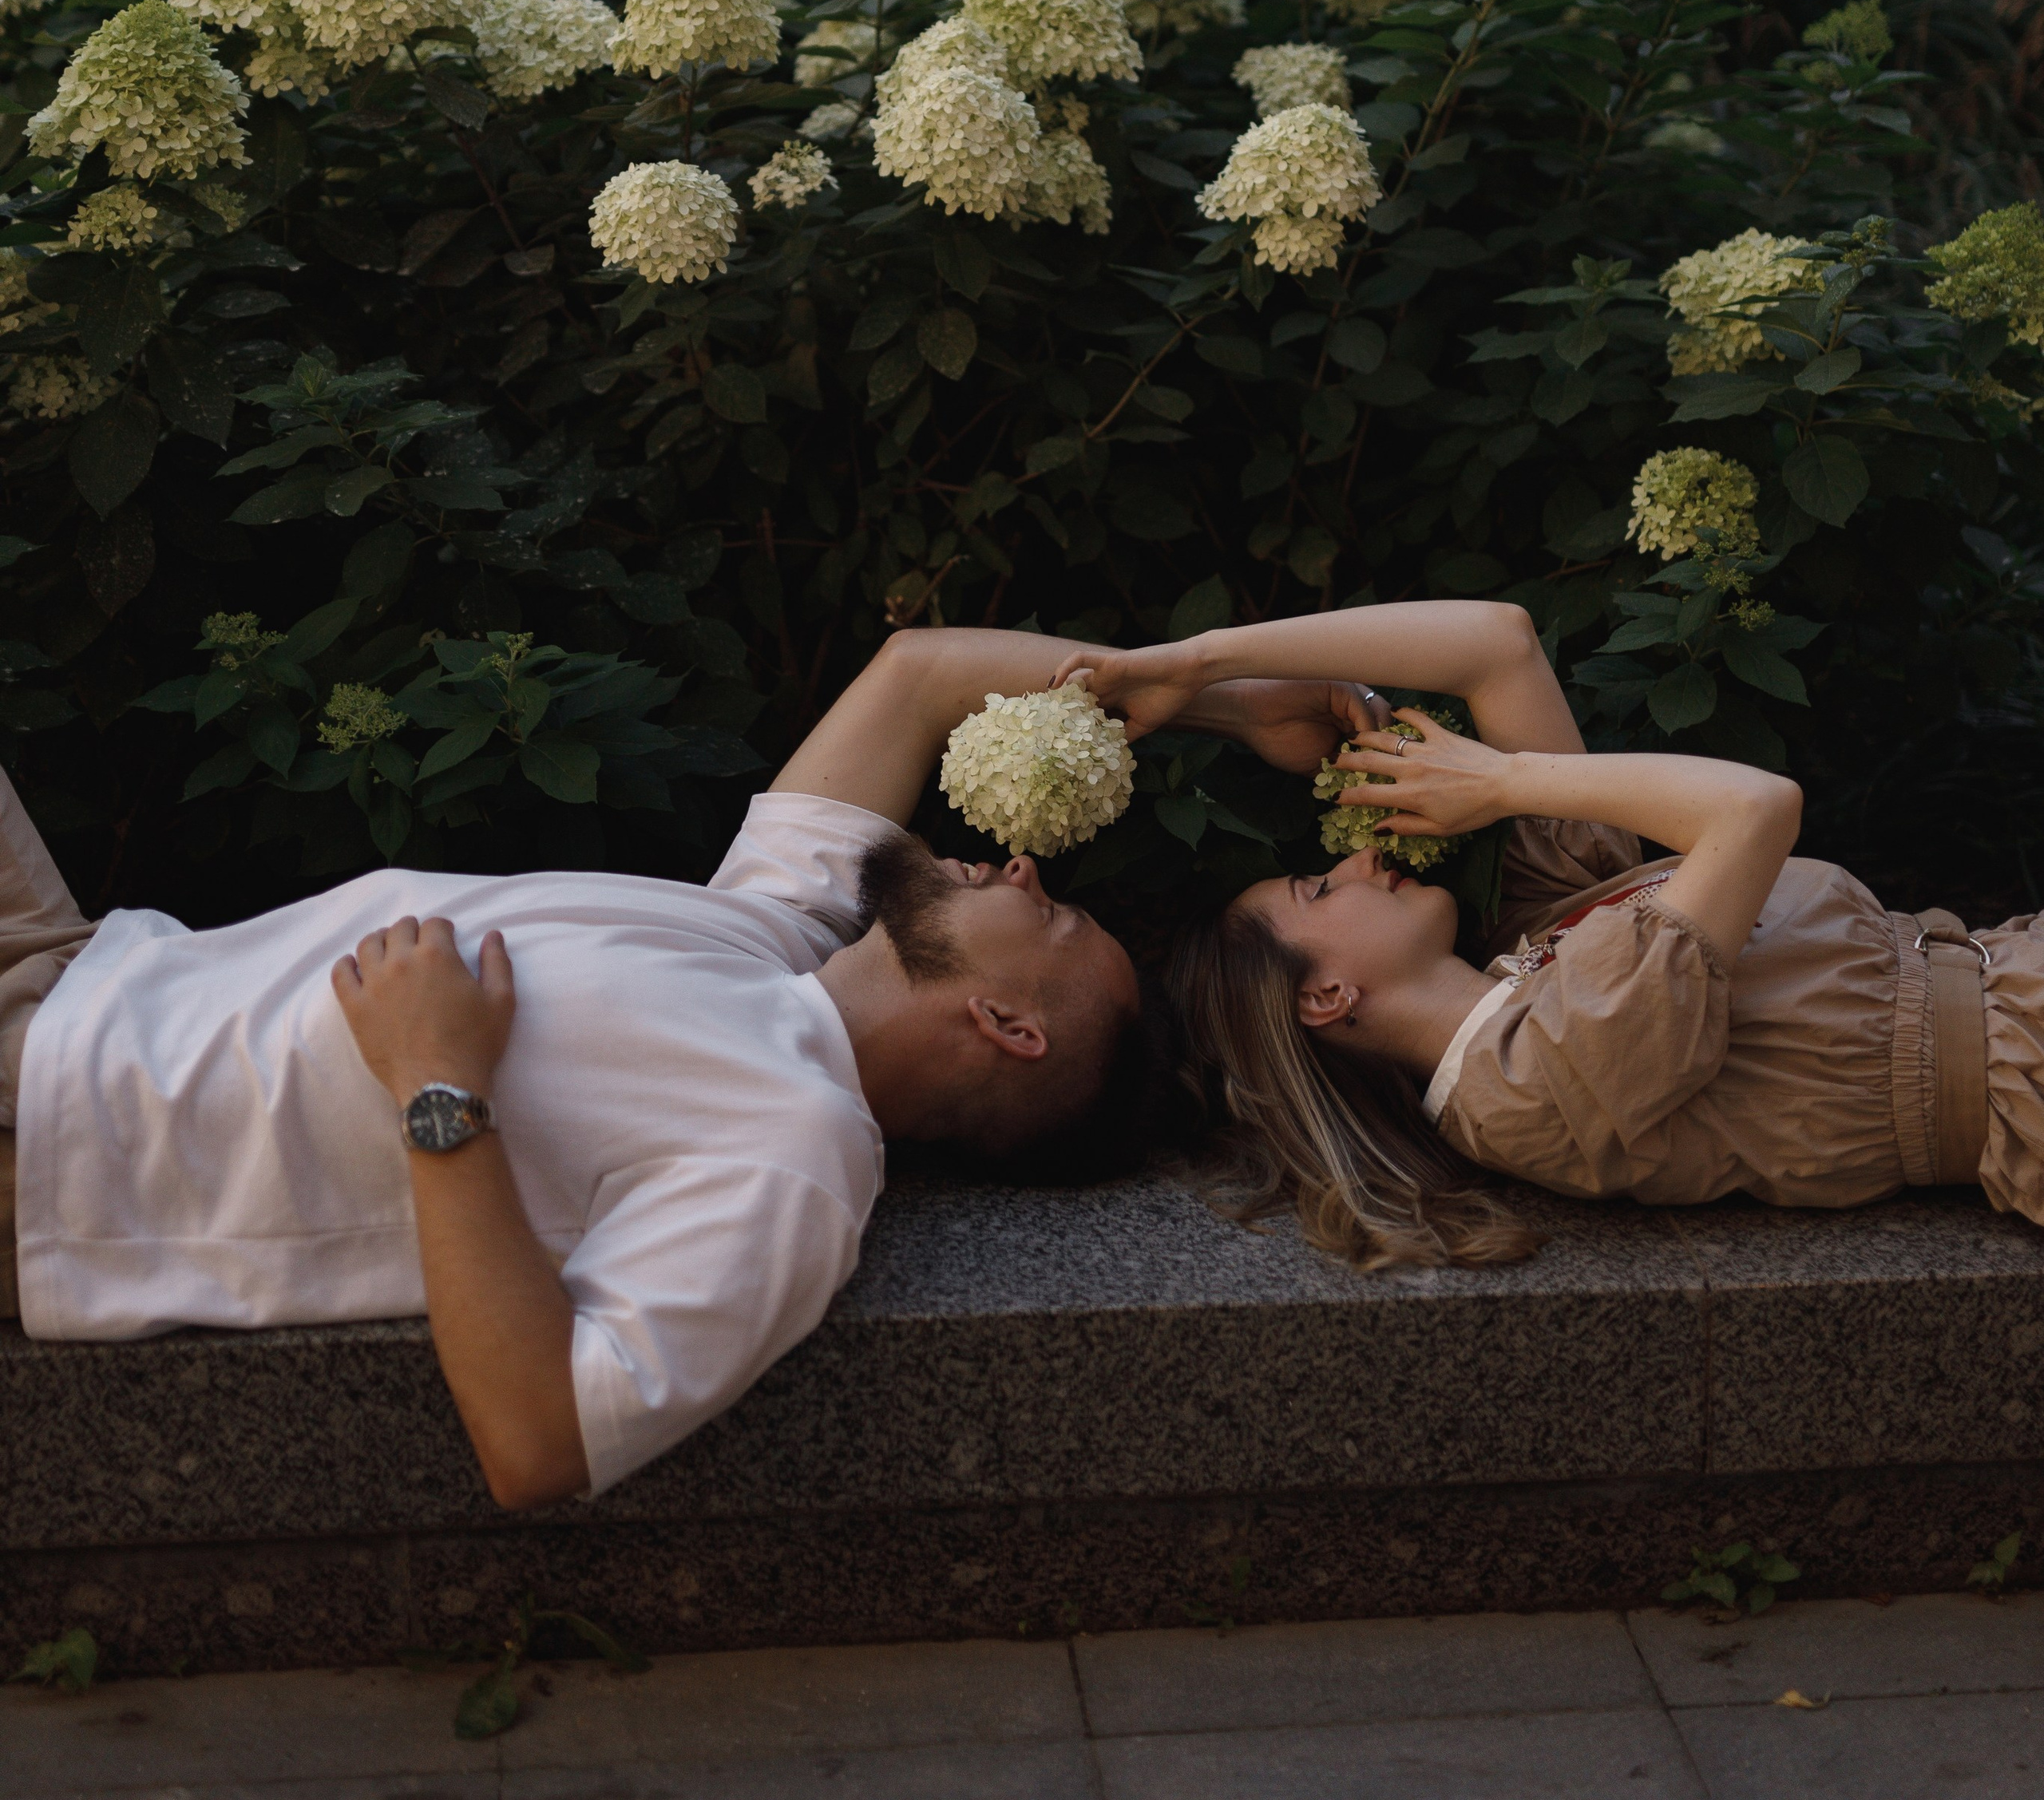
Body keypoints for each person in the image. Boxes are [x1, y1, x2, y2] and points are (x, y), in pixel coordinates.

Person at [0, 622, 1359, 1509]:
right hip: (76, 970)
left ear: (1010, 1025)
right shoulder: (771, 942)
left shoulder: (791, 1153)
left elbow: (544, 1445)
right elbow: (919, 671)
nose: (1020, 864)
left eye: (1048, 916)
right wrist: (1209, 695)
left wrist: (439, 1088)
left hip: (57, 1139)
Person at [1056, 599, 2044, 1270]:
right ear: (1326, 1000)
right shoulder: (1532, 1080)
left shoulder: (1532, 940)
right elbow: (1754, 809)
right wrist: (1505, 783)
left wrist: (1201, 664)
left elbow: (1497, 642)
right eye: (1319, 888)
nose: (1357, 861)